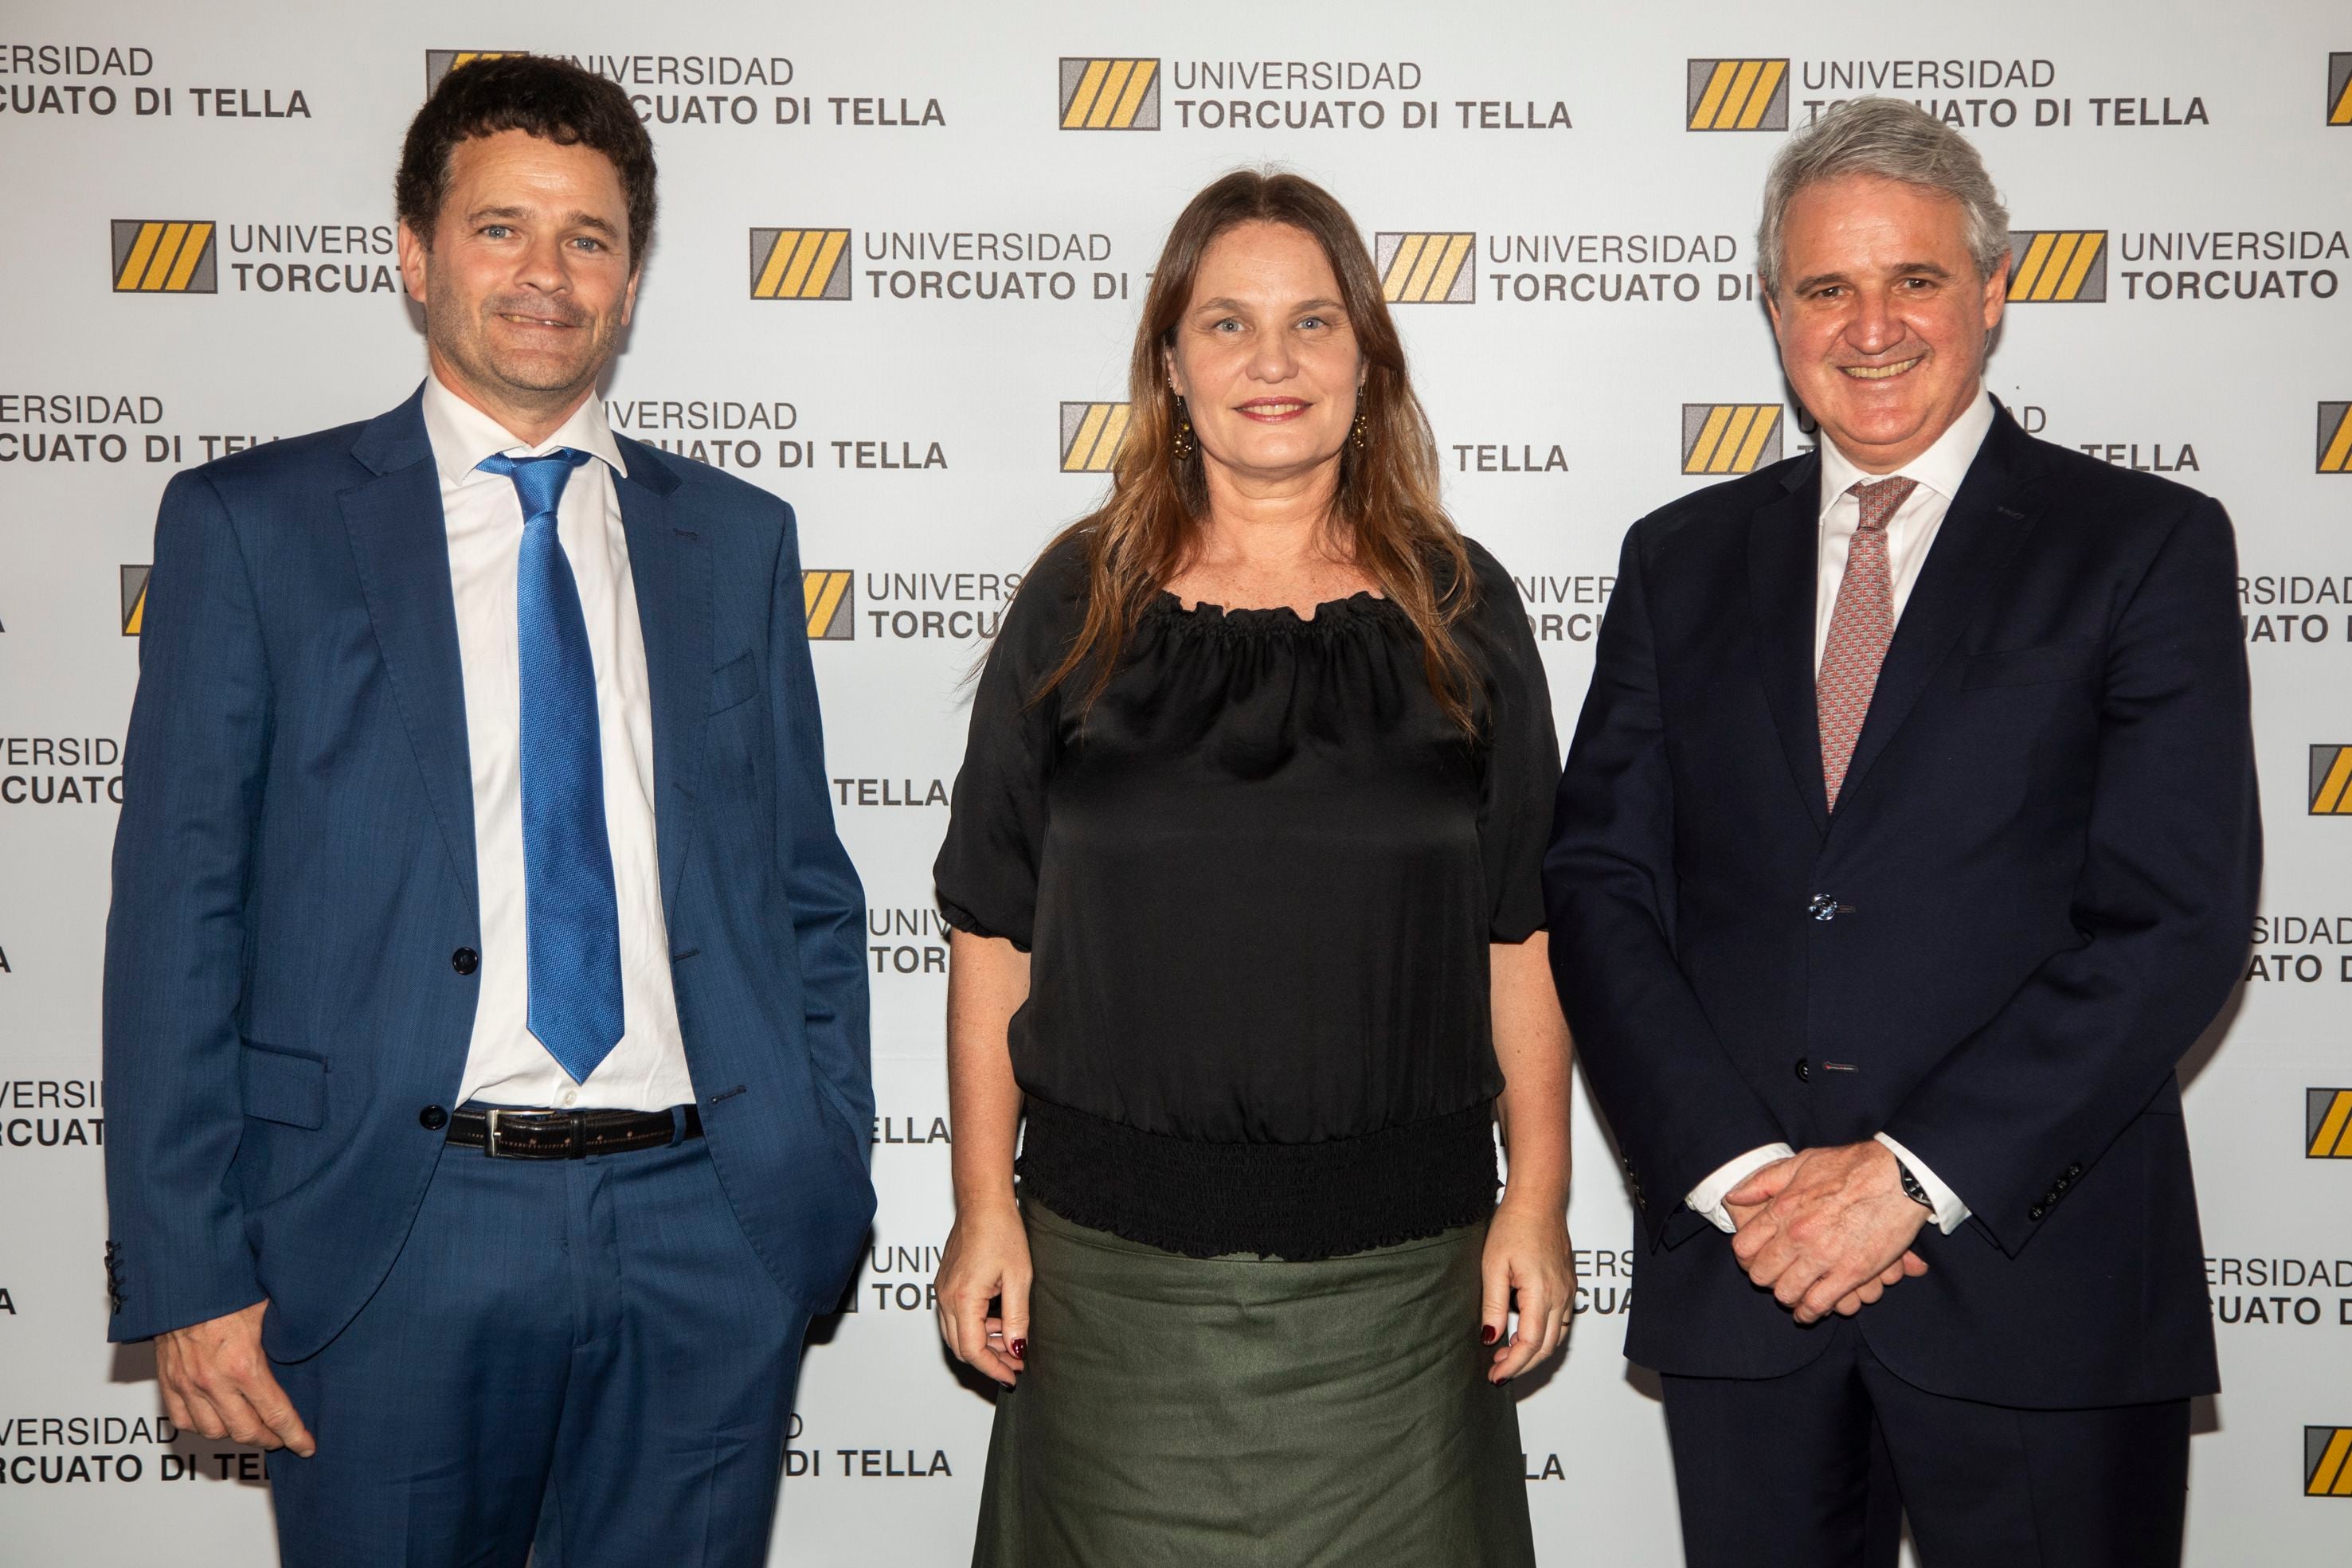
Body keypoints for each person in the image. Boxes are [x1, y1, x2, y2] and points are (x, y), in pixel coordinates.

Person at [100, 56, 872, 1566]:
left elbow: (802, 890)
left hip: (704, 1230)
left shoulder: (733, 538)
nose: (545, 273)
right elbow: (178, 919)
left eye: (587, 237)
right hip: (392, 1234)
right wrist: (190, 1267)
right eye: (500, 227)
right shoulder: (252, 529)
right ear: (414, 251)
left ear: (631, 278)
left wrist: (814, 1166)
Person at [1545, 96, 2258, 1567]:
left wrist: (1901, 1178)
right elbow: (1600, 885)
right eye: (1825, 287)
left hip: (2033, 1284)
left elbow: (2172, 918)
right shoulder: (1676, 561)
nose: (1869, 326)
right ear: (1774, 312)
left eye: (1914, 279)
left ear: (1992, 292)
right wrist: (1741, 1176)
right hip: (1746, 1279)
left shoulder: (2142, 546)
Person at [931, 169, 1572, 1567]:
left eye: (1311, 322)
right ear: (1169, 363)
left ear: (1367, 360)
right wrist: (986, 1207)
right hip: (1111, 1292)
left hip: (1405, 1298)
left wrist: (1536, 1201)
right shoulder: (1074, 603)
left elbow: (1518, 933)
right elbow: (993, 934)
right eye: (1225, 324)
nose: (1269, 362)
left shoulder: (1467, 612)